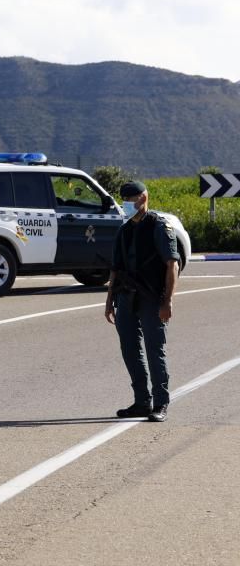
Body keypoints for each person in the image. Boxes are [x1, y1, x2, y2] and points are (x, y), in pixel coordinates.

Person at [104, 180, 179, 422]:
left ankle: (161, 404)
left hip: (151, 299)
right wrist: (109, 301)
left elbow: (172, 265)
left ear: (143, 198)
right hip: (126, 298)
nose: (126, 204)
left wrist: (167, 301)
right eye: (124, 199)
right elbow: (115, 268)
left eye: (131, 199)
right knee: (130, 350)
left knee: (154, 350)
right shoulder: (124, 230)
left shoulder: (159, 226)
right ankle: (141, 402)